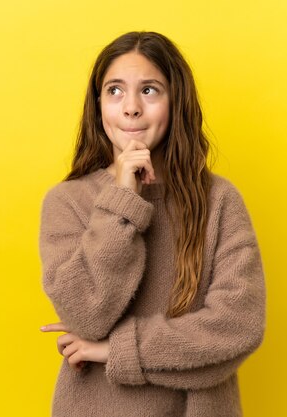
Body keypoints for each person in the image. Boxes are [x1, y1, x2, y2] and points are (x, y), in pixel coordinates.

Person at [39, 31, 266, 417]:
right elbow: (87, 315)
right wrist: (123, 198)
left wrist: (114, 350)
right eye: (114, 90)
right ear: (98, 106)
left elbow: (237, 327)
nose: (130, 108)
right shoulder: (67, 202)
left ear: (175, 102)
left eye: (149, 90)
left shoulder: (220, 201)